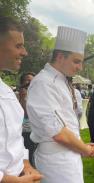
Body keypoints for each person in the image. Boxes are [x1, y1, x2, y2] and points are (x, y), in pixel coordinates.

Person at [27, 26, 94, 183]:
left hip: (68, 156)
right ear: (60, 57)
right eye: (76, 61)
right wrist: (84, 149)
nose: (80, 67)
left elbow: (68, 124)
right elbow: (58, 133)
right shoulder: (43, 83)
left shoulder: (61, 80)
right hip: (56, 161)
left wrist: (81, 145)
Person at [0, 16, 42, 183]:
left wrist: (25, 164)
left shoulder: (6, 91)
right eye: (18, 46)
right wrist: (6, 180)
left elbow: (15, 139)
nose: (24, 52)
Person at [18, 72, 37, 167]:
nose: (30, 83)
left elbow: (27, 115)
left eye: (33, 81)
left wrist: (25, 98)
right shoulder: (15, 96)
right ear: (22, 83)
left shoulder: (36, 97)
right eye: (28, 80)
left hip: (31, 132)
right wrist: (22, 97)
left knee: (31, 157)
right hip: (19, 133)